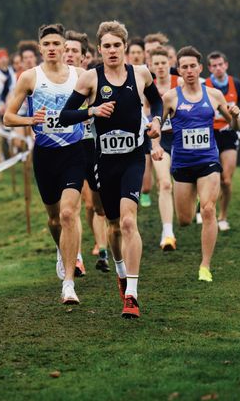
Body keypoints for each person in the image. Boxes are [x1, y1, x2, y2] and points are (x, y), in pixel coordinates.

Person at [60, 20, 163, 319]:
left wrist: (156, 122)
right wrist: (92, 110)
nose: (112, 50)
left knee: (130, 222)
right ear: (100, 49)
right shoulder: (91, 79)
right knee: (114, 225)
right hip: (104, 161)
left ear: (125, 47)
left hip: (133, 157)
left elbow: (156, 103)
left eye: (117, 45)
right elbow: (67, 115)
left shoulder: (141, 73)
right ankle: (120, 270)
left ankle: (131, 294)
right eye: (106, 46)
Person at [3, 24, 85, 305]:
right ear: (40, 48)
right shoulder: (29, 77)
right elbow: (7, 117)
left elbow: (97, 107)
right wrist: (31, 120)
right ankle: (62, 253)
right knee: (53, 219)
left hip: (75, 152)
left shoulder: (80, 76)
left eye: (56, 43)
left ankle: (69, 283)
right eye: (46, 43)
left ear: (65, 48)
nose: (52, 48)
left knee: (67, 214)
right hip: (46, 155)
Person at [157, 46, 240, 283]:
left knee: (207, 210)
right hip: (182, 164)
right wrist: (154, 143)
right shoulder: (171, 97)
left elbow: (234, 126)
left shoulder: (213, 95)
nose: (189, 70)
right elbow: (156, 126)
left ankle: (205, 265)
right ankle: (194, 198)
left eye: (193, 65)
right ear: (179, 70)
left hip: (208, 161)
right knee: (184, 220)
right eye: (184, 66)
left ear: (200, 68)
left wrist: (235, 116)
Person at [64, 30, 109, 273]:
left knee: (97, 205)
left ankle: (103, 250)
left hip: (93, 146)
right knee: (72, 207)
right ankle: (77, 257)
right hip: (67, 148)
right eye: (66, 50)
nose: (69, 55)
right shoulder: (54, 82)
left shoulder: (95, 80)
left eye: (74, 51)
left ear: (84, 57)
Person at [204, 51, 240, 231]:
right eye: (214, 65)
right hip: (208, 135)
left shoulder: (236, 84)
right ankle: (203, 207)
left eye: (220, 64)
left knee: (226, 180)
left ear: (226, 65)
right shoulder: (204, 85)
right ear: (209, 68)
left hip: (229, 133)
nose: (218, 68)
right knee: (207, 177)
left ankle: (222, 216)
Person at [149, 47, 178, 250]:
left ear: (170, 63)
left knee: (185, 184)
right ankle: (168, 233)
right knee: (165, 184)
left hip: (182, 140)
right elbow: (146, 118)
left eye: (163, 63)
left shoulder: (180, 84)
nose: (160, 67)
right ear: (150, 66)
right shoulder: (146, 87)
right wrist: (154, 144)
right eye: (156, 63)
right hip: (160, 139)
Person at [127, 38, 153, 208]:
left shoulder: (146, 74)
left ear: (144, 54)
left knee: (146, 158)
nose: (136, 55)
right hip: (128, 124)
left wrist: (148, 119)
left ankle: (145, 192)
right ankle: (131, 191)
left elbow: (153, 100)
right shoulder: (124, 73)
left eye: (138, 52)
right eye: (133, 52)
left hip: (146, 123)